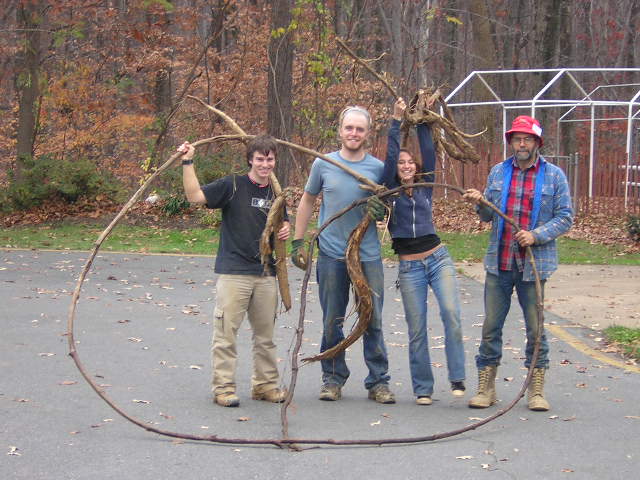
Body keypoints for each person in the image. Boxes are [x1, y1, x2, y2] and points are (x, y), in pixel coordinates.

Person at [463, 115, 573, 411]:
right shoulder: (498, 173)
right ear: (511, 142)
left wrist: (536, 236)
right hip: (499, 262)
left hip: (534, 266)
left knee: (536, 330)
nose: (521, 144)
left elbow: (565, 217)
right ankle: (486, 388)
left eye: (527, 139)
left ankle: (535, 390)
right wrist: (480, 203)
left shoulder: (554, 176)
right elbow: (487, 216)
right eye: (516, 139)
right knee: (491, 327)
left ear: (537, 142)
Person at [291, 106, 395, 404]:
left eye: (359, 129)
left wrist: (382, 209)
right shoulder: (323, 164)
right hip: (331, 254)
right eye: (349, 128)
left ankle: (378, 381)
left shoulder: (378, 168)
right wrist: (298, 241)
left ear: (368, 133)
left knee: (372, 318)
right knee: (331, 320)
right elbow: (308, 200)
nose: (354, 133)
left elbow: (391, 206)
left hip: (367, 255)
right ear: (340, 130)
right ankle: (333, 379)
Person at [177, 136, 290, 408]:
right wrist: (187, 162)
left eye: (270, 159)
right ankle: (224, 388)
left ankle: (265, 386)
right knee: (226, 335)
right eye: (260, 159)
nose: (265, 164)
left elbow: (280, 226)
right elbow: (194, 197)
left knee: (266, 338)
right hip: (234, 273)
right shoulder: (232, 185)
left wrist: (285, 228)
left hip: (266, 274)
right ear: (250, 159)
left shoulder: (276, 192)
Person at [381, 98, 466, 405]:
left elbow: (429, 152)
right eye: (401, 163)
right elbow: (390, 158)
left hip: (438, 259)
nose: (406, 166)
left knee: (451, 314)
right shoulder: (389, 191)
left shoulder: (425, 185)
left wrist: (420, 120)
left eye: (410, 163)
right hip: (410, 268)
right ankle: (423, 388)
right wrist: (396, 121)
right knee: (416, 328)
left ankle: (457, 376)